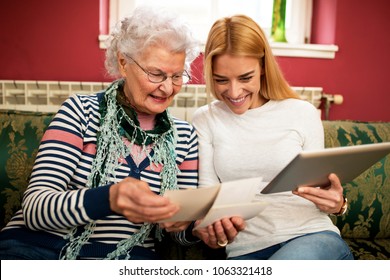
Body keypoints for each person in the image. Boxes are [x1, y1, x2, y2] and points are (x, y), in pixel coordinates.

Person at [0, 6, 200, 260]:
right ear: (124, 62)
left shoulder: (186, 137)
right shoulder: (80, 112)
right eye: (156, 73)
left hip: (128, 261)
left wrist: (196, 228)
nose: (168, 87)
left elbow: (178, 231)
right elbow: (35, 209)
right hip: (39, 250)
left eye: (177, 76)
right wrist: (109, 197)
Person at [191, 14, 353, 260]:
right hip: (245, 251)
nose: (234, 92)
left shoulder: (302, 113)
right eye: (221, 80)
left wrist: (337, 204)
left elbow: (319, 191)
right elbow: (208, 197)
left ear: (264, 67)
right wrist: (208, 227)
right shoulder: (205, 120)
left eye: (245, 78)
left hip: (312, 237)